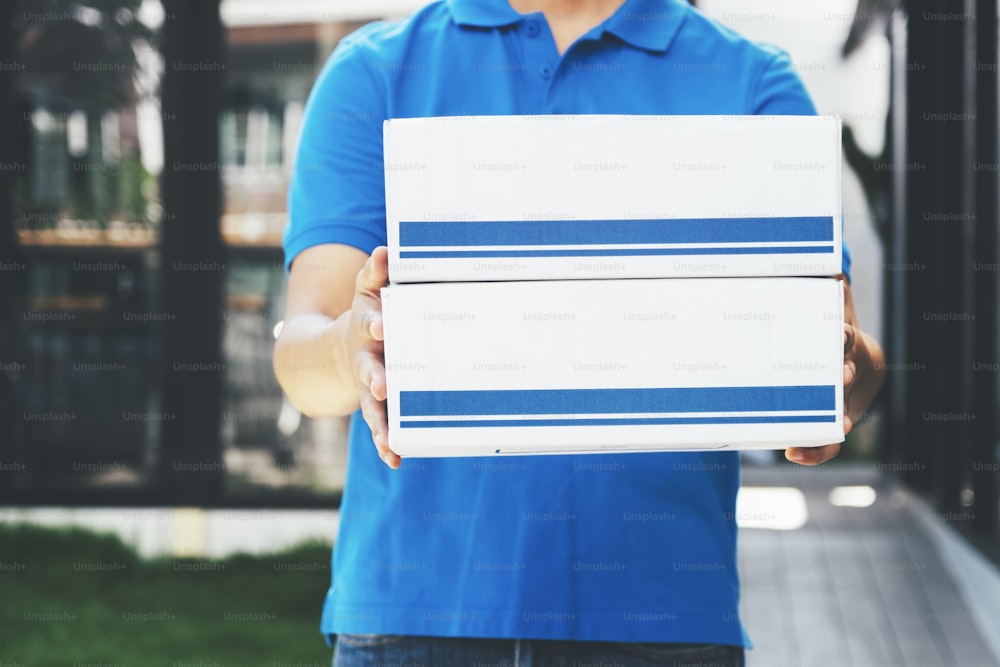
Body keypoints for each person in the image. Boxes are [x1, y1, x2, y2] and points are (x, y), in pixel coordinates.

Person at [273, 0, 886, 665]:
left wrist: (832, 378)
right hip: (414, 614)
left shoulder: (748, 81)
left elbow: (847, 345)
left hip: (659, 622)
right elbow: (305, 349)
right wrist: (349, 347)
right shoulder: (378, 71)